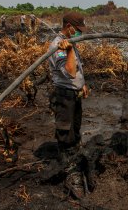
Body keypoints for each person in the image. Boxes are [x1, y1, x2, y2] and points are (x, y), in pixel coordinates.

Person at [48, 11, 89, 162]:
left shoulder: (70, 41)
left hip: (74, 93)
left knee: (75, 127)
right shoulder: (58, 46)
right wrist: (69, 49)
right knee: (65, 130)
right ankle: (66, 164)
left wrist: (82, 84)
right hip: (64, 96)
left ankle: (76, 156)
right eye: (77, 29)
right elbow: (70, 72)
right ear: (69, 26)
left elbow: (77, 68)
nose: (79, 32)